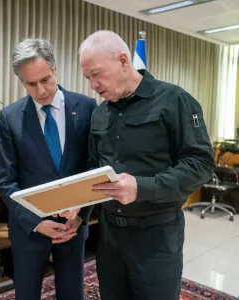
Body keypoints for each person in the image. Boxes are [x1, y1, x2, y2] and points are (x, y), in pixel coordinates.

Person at [76, 30, 215, 300]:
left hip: (157, 235)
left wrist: (142, 187)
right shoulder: (100, 112)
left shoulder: (174, 100)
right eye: (88, 78)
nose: (93, 85)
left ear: (124, 61)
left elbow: (201, 164)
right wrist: (77, 208)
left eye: (97, 74)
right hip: (109, 236)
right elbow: (94, 169)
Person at [0, 38, 97, 300]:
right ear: (22, 82)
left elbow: (93, 166)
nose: (41, 90)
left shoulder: (86, 107)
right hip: (29, 230)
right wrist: (37, 223)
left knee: (72, 294)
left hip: (73, 227)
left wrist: (81, 215)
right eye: (31, 83)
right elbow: (7, 181)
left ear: (55, 69)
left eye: (46, 79)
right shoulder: (10, 118)